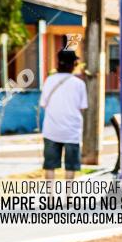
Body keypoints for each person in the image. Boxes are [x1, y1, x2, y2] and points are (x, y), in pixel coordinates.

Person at [40, 49, 88, 180]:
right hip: (72, 131)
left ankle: (50, 198)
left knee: (49, 165)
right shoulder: (79, 84)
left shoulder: (49, 80)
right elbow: (82, 108)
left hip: (51, 130)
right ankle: (68, 198)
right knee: (71, 166)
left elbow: (43, 104)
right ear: (74, 64)